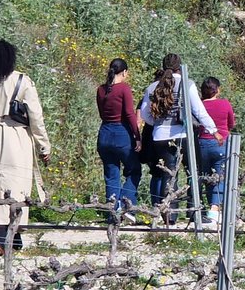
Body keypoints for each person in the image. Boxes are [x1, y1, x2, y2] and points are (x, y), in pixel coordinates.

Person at [0, 40, 51, 256]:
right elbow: (36, 117)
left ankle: (12, 236)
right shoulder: (22, 81)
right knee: (17, 185)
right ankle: (2, 236)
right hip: (17, 136)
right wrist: (44, 146)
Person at [138, 55, 219, 224]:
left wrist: (158, 123)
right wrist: (214, 131)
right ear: (179, 67)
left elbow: (145, 114)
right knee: (193, 172)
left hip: (159, 136)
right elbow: (199, 111)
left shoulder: (153, 87)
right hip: (183, 134)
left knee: (169, 173)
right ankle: (193, 211)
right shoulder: (186, 84)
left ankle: (170, 213)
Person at [97, 58, 142, 218]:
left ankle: (112, 210)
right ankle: (126, 205)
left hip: (104, 133)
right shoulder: (124, 88)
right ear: (124, 72)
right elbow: (130, 114)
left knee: (111, 174)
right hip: (121, 133)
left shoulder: (101, 89)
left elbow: (102, 114)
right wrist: (137, 136)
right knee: (134, 169)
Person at [196, 77, 235, 230]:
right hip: (221, 142)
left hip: (203, 143)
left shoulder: (199, 105)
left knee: (206, 175)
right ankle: (214, 208)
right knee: (220, 175)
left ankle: (208, 208)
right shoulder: (224, 103)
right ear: (217, 89)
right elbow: (231, 123)